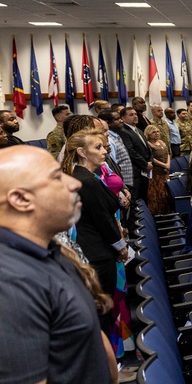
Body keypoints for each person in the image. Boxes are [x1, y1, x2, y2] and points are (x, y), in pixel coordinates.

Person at [0, 146, 126, 384]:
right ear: (20, 199)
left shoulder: (43, 251)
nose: (73, 184)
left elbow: (65, 354)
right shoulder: (2, 278)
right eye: (55, 177)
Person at [63, 130, 128, 339]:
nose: (104, 151)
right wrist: (121, 246)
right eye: (97, 147)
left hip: (97, 247)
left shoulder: (90, 177)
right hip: (97, 252)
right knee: (104, 309)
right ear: (82, 152)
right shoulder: (86, 180)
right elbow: (102, 219)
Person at [119, 106, 152, 203]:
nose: (135, 116)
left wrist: (150, 161)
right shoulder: (123, 131)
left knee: (144, 197)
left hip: (145, 171)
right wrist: (145, 164)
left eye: (135, 114)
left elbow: (147, 149)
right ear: (123, 118)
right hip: (135, 172)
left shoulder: (139, 130)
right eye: (131, 115)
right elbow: (130, 151)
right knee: (138, 200)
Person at [144, 125, 171, 215]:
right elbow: (152, 158)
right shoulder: (148, 144)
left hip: (165, 172)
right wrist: (164, 165)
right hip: (156, 173)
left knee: (166, 192)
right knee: (157, 194)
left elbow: (168, 153)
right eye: (154, 132)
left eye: (158, 131)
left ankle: (167, 211)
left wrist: (167, 164)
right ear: (148, 134)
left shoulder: (161, 142)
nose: (157, 133)